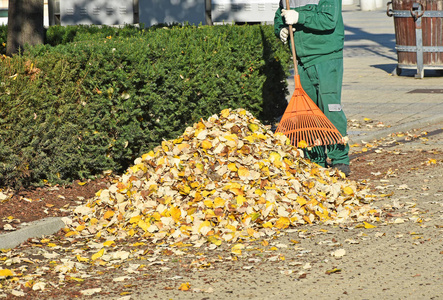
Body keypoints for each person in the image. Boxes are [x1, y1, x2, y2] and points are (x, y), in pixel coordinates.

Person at [274, 0, 350, 176]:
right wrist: (281, 29)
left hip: (326, 57)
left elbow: (329, 20)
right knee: (308, 112)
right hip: (302, 59)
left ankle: (339, 158)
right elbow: (280, 15)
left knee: (330, 107)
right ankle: (315, 159)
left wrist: (300, 17)